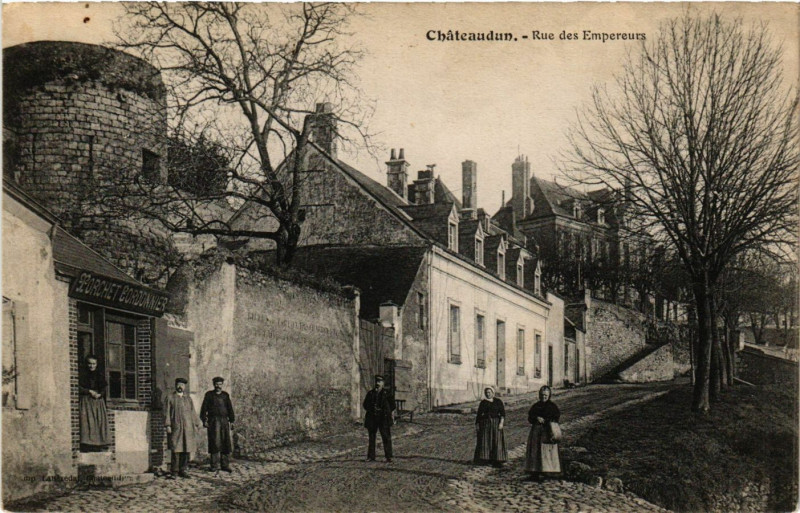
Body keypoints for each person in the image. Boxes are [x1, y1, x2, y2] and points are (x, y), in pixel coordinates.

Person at [164, 377, 202, 479]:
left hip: (188, 428)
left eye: (182, 385)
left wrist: (197, 423)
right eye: (179, 384)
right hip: (176, 427)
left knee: (186, 448)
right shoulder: (170, 398)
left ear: (184, 387)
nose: (180, 386)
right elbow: (166, 412)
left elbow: (193, 412)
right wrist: (168, 425)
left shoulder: (188, 399)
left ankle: (183, 470)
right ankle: (174, 471)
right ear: (175, 385)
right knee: (176, 449)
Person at [524, 385, 561, 481]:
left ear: (549, 395)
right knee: (535, 451)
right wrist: (536, 418)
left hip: (547, 431)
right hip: (536, 432)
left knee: (547, 451)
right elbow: (530, 417)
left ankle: (548, 472)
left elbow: (556, 418)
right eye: (542, 395)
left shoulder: (552, 406)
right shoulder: (536, 406)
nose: (543, 397)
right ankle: (534, 472)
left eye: (545, 395)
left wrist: (546, 420)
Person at [200, 377, 235, 472]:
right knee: (215, 442)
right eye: (216, 384)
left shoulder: (225, 395)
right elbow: (204, 409)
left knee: (225, 442)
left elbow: (230, 409)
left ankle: (225, 465)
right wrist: (204, 420)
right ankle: (214, 465)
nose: (218, 386)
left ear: (222, 385)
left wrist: (231, 421)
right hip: (213, 421)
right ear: (213, 384)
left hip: (224, 421)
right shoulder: (209, 395)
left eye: (220, 384)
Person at [79, 355, 109, 450]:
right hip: (87, 402)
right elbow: (79, 387)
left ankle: (99, 444)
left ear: (96, 364)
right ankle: (88, 444)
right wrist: (89, 391)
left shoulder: (100, 375)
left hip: (98, 402)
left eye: (93, 364)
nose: (91, 366)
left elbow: (104, 388)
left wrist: (100, 394)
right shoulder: (82, 375)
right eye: (90, 364)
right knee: (88, 421)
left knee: (98, 421)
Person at [363, 375, 396, 462]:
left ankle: (388, 456)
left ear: (383, 383)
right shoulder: (370, 393)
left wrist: (386, 412)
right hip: (372, 418)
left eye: (379, 382)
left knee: (386, 437)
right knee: (371, 438)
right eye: (376, 382)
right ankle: (371, 456)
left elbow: (393, 405)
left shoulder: (387, 394)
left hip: (383, 419)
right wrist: (372, 409)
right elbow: (365, 404)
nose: (377, 383)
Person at [473, 386, 508, 467]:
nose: (488, 394)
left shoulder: (498, 401)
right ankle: (485, 459)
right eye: (486, 393)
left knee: (497, 441)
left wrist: (501, 423)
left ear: (493, 393)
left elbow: (502, 414)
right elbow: (479, 415)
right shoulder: (483, 403)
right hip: (485, 424)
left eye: (489, 392)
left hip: (496, 423)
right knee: (486, 441)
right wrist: (477, 425)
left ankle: (497, 460)